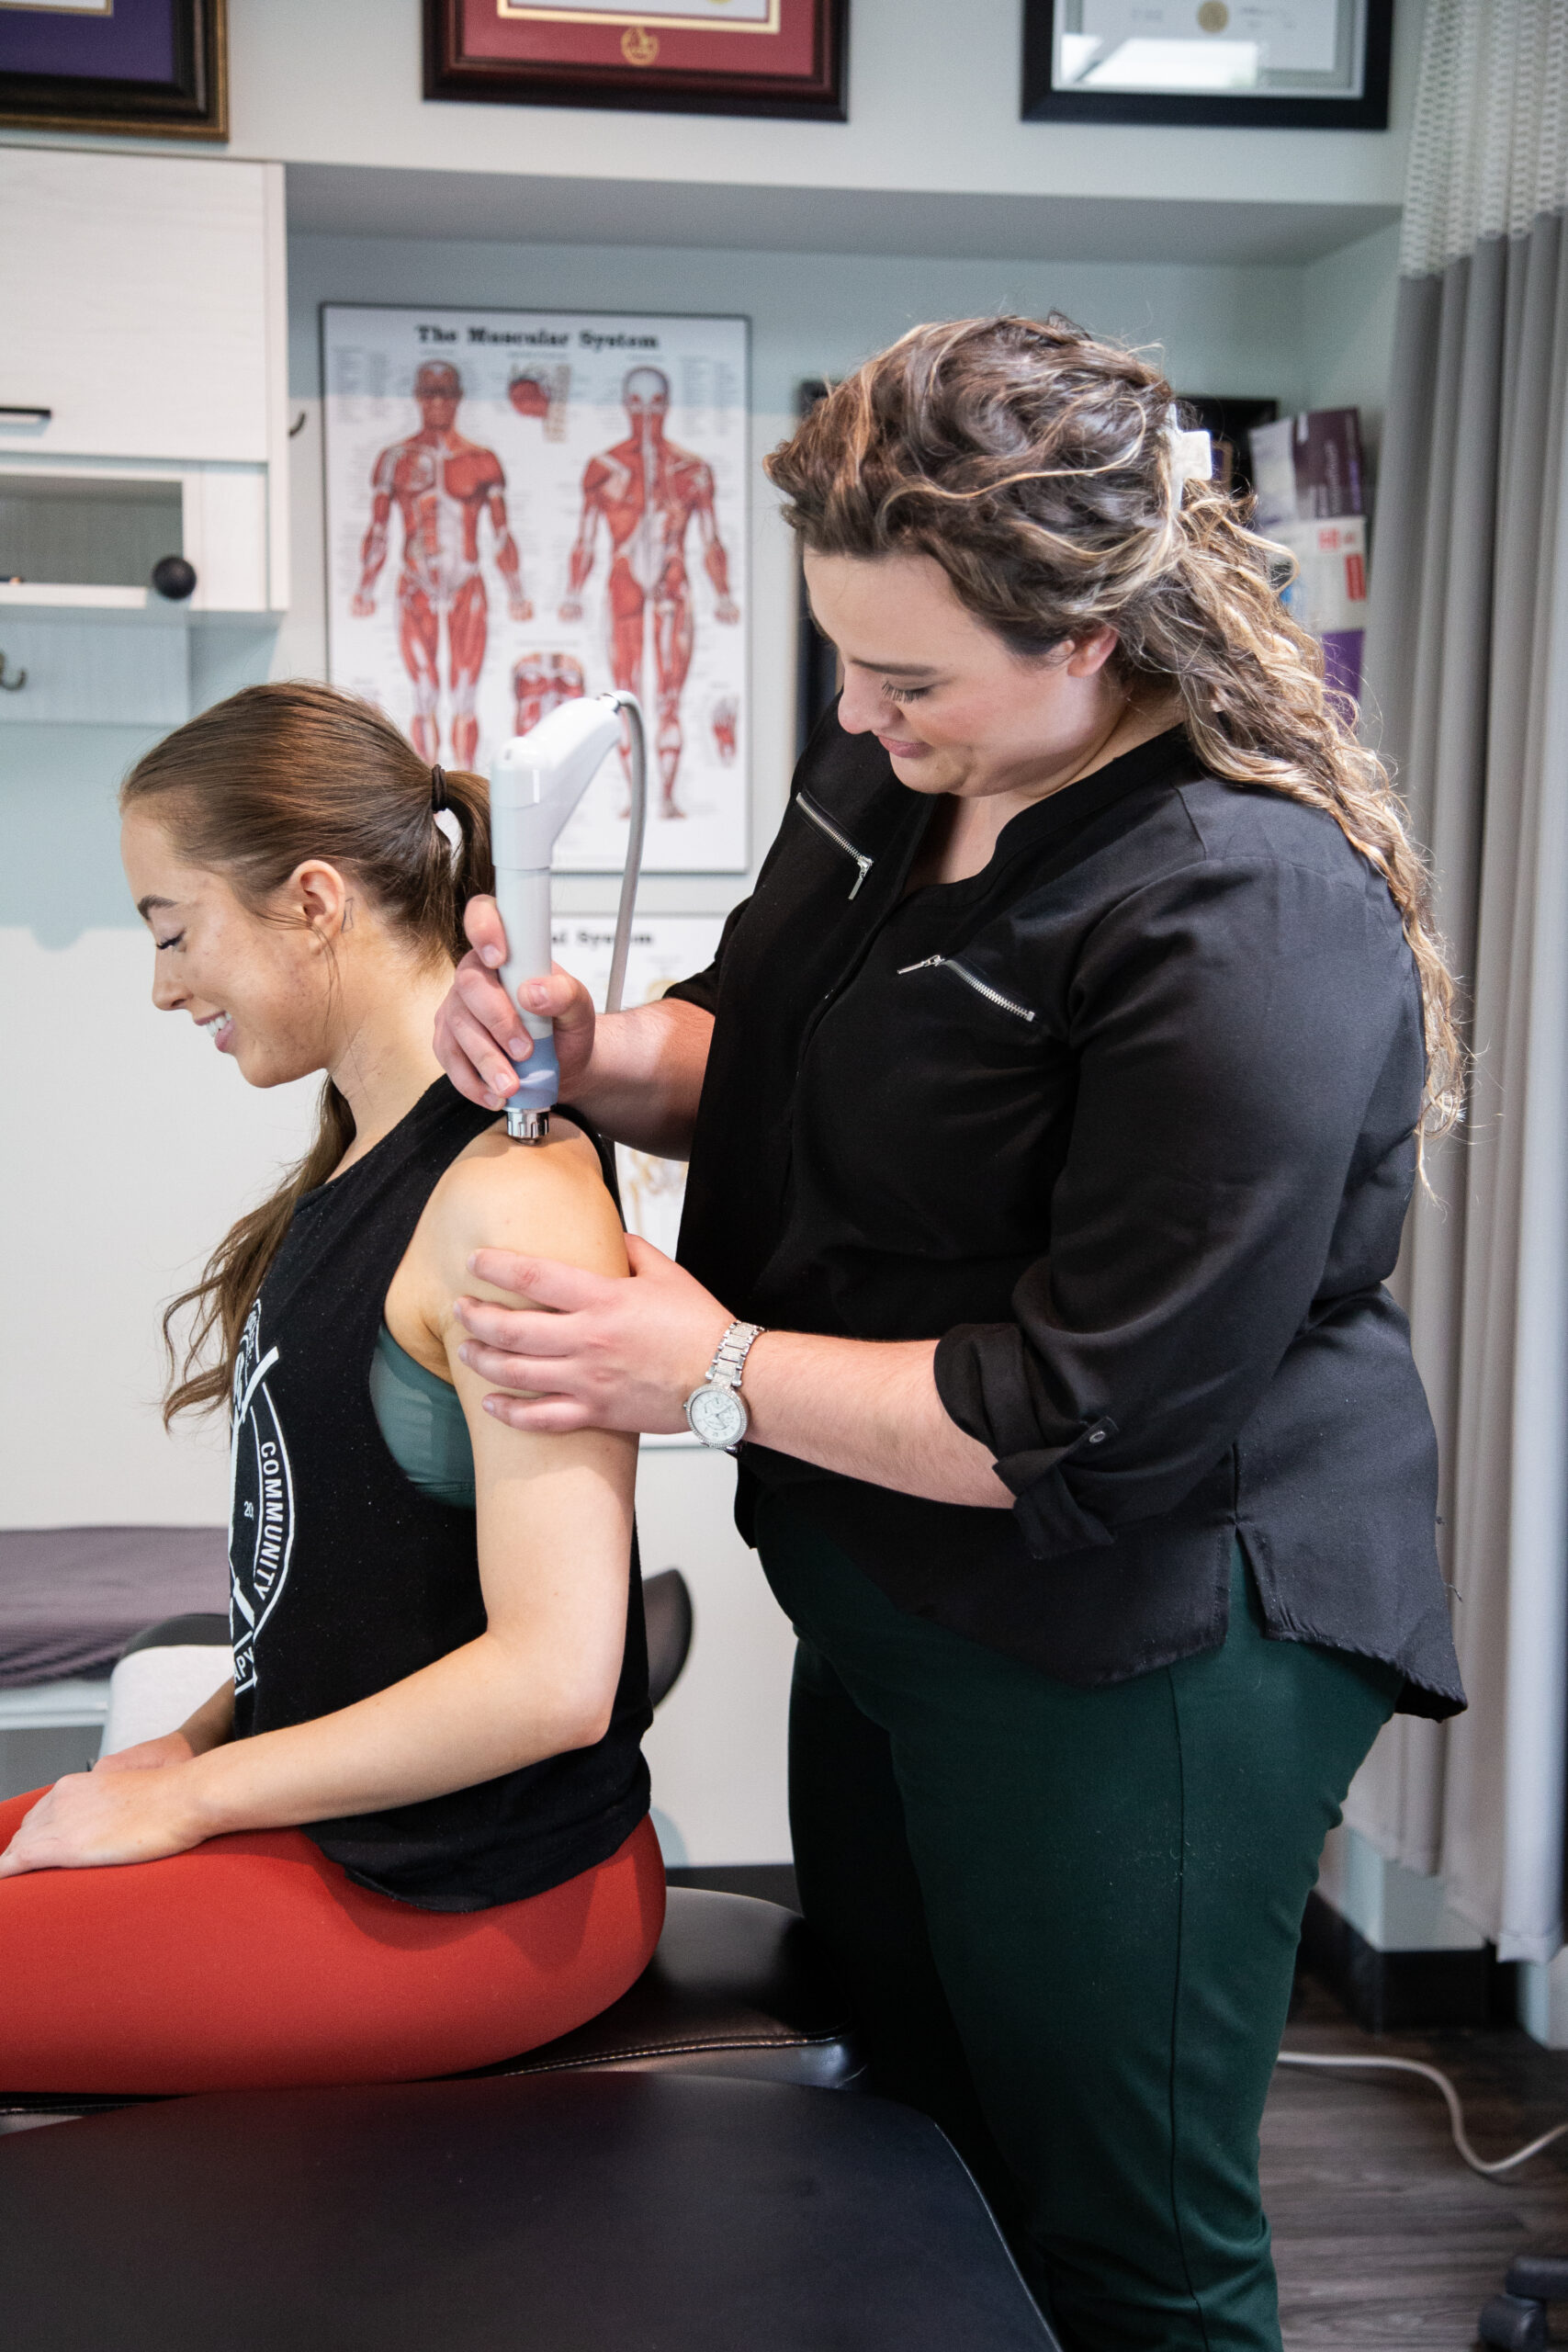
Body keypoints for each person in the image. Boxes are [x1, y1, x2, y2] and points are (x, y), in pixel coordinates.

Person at [430, 316, 1467, 2352]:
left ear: (1087, 634)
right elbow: (774, 1057)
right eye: (841, 653)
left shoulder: (1240, 907)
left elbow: (1076, 1414)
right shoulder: (904, 768)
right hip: (901, 1592)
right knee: (920, 2144)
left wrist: (698, 1366)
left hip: (1148, 1637)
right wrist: (590, 1047)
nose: (858, 706)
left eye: (905, 674)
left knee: (1124, 2245)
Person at [0, 682, 662, 2095]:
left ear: (311, 900)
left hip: (484, 1901)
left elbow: (555, 1680)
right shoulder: (362, 1166)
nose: (166, 986)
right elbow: (341, 1596)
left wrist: (190, 1798)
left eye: (174, 931)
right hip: (373, 1843)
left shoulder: (506, 1194)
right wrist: (181, 1748)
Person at [559, 364, 740, 819]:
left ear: (667, 407)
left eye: (654, 405)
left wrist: (723, 594)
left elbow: (711, 539)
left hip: (672, 587)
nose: (645, 415)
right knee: (625, 695)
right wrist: (573, 593)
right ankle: (635, 799)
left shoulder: (692, 471)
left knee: (669, 697)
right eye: (637, 404)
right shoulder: (602, 470)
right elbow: (585, 539)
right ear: (626, 406)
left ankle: (666, 798)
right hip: (622, 586)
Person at [352, 359, 533, 767]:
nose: (438, 402)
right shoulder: (394, 458)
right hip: (415, 584)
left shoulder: (482, 460)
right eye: (430, 393)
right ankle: (427, 810)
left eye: (446, 393)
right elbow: (378, 531)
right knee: (425, 693)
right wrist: (365, 587)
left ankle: (466, 796)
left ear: (459, 398)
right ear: (417, 396)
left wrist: (517, 592)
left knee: (465, 694)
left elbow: (502, 534)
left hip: (467, 582)